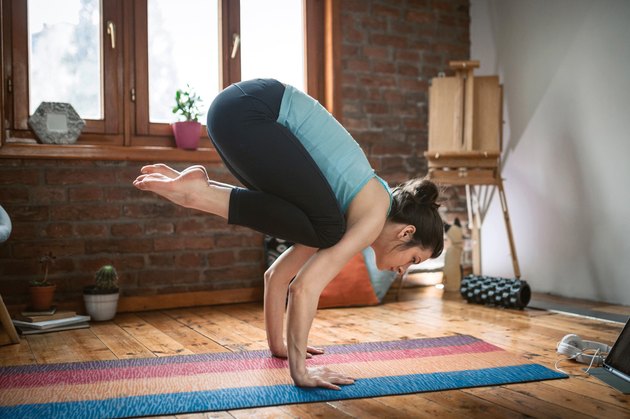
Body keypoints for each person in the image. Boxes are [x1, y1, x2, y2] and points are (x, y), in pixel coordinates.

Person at [133, 78, 444, 390]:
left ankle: (200, 191)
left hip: (231, 115)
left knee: (327, 229)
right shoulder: (372, 215)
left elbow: (277, 276)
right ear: (406, 232)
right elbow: (304, 288)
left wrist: (278, 346)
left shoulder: (345, 208)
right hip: (252, 112)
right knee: (328, 230)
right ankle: (200, 194)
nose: (404, 270)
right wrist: (301, 373)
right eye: (414, 260)